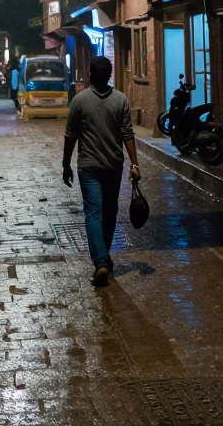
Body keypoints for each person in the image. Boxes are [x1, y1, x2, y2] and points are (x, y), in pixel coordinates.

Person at [62, 55, 141, 287]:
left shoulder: (79, 100)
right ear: (110, 75)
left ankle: (101, 261)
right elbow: (128, 134)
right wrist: (135, 164)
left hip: (89, 166)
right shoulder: (121, 100)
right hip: (113, 166)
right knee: (109, 212)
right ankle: (103, 259)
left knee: (93, 213)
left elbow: (70, 136)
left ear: (89, 75)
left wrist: (66, 164)